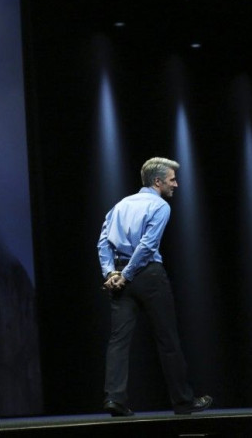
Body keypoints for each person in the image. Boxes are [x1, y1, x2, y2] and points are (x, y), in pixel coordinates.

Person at [97, 157, 212, 417]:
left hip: (120, 276)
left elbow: (103, 243)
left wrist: (110, 273)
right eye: (172, 179)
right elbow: (147, 246)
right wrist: (124, 275)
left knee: (118, 340)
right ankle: (183, 402)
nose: (177, 184)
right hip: (147, 275)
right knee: (167, 338)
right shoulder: (160, 206)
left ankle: (115, 399)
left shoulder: (120, 205)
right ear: (157, 181)